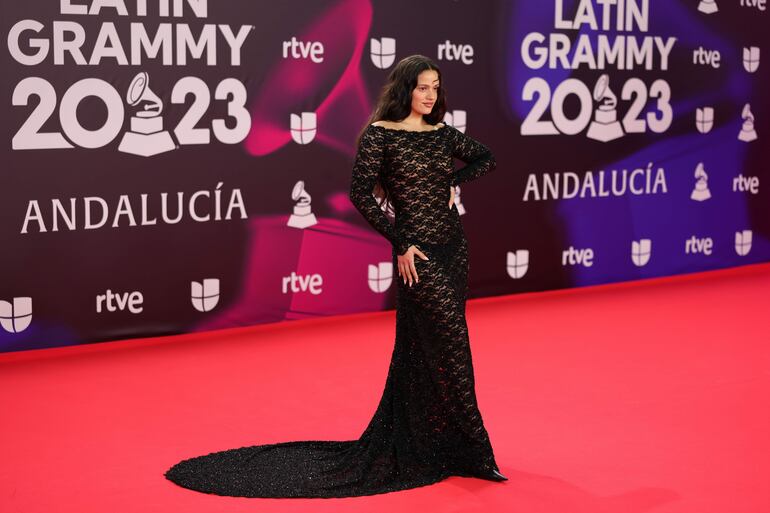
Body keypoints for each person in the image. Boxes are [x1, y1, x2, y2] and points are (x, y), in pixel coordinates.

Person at [163, 54, 505, 498]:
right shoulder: (381, 136)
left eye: (436, 87)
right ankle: (475, 451)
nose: (430, 95)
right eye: (422, 87)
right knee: (451, 344)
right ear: (404, 89)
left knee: (429, 347)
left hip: (452, 248)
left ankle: (444, 446)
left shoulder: (441, 135)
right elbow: (359, 193)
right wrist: (399, 240)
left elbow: (487, 158)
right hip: (415, 254)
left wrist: (454, 184)